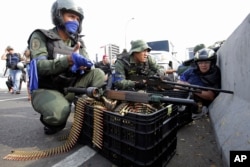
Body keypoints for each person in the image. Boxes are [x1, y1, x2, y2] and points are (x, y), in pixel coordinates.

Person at [27, 0, 105, 135]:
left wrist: (84, 67)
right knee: (58, 115)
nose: (75, 21)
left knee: (98, 73)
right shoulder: (41, 36)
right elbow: (39, 67)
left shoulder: (78, 42)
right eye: (71, 16)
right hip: (47, 88)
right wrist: (68, 61)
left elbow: (88, 65)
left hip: (69, 87)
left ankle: (84, 107)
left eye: (77, 18)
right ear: (59, 15)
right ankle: (52, 120)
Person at [178, 48, 221, 119]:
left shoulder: (214, 74)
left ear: (212, 63)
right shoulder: (192, 71)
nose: (203, 65)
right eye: (200, 63)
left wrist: (190, 87)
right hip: (184, 99)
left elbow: (210, 96)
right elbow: (179, 82)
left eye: (206, 62)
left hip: (198, 105)